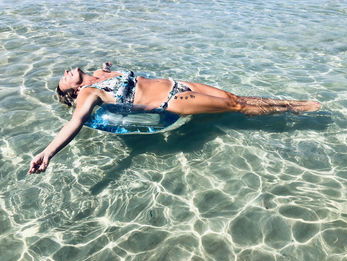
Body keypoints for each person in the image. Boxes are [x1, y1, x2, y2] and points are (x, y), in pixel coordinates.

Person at [28, 62, 321, 174]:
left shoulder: (103, 73)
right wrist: (48, 153)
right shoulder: (87, 94)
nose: (65, 74)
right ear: (73, 91)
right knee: (236, 106)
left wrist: (109, 67)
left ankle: (290, 105)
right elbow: (75, 122)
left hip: (180, 83)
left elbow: (131, 78)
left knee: (235, 96)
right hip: (173, 100)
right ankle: (294, 107)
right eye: (63, 81)